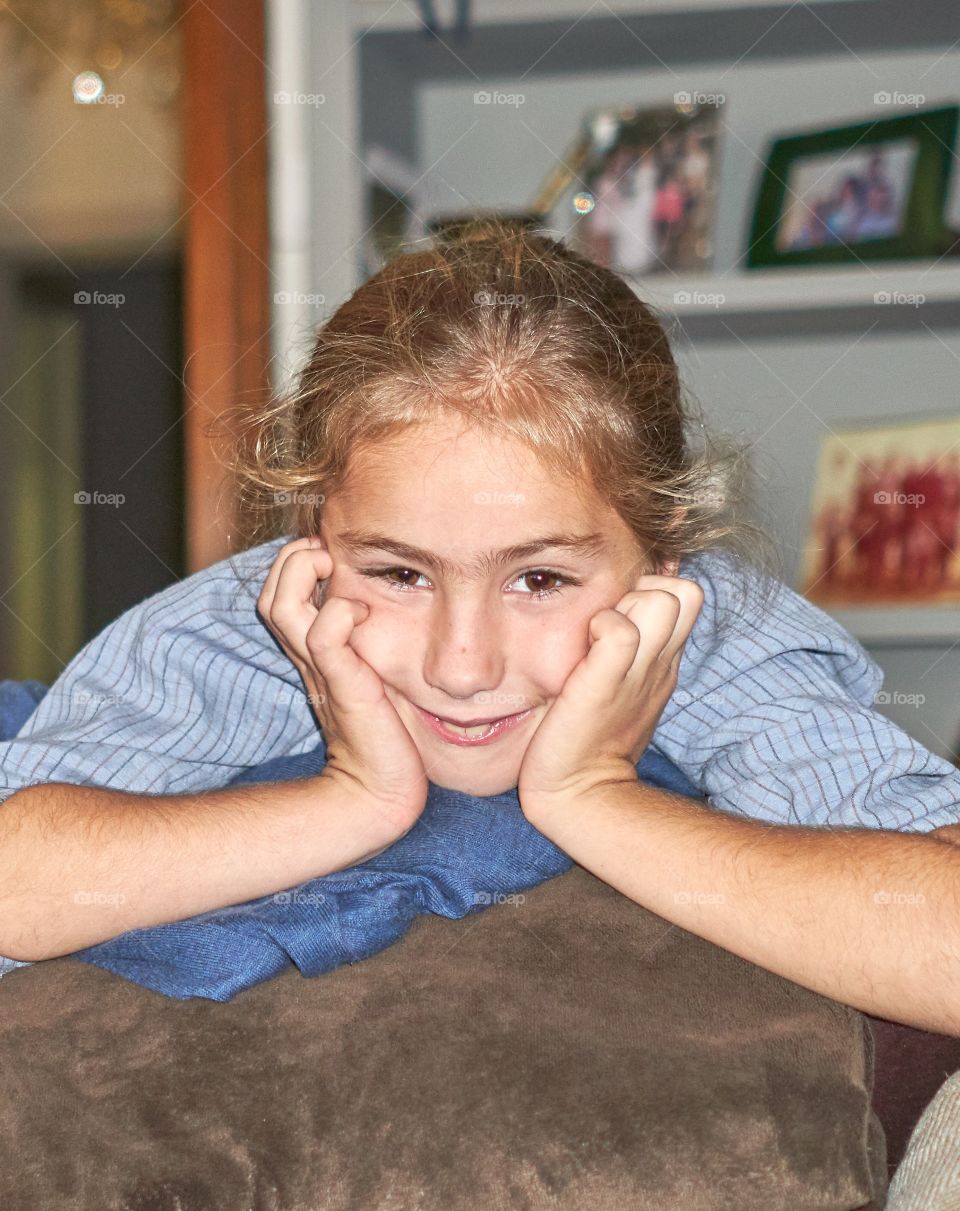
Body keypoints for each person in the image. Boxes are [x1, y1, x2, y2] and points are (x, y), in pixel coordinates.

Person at [0, 221, 959, 1040]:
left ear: (662, 563)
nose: (463, 665)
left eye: (539, 577)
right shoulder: (239, 623)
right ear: (314, 538)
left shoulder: (714, 634)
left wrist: (594, 795)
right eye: (399, 573)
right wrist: (356, 797)